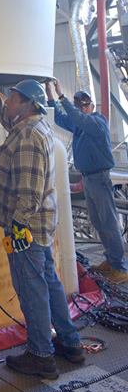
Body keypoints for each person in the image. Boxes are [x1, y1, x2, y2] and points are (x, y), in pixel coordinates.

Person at [0, 64, 84, 379]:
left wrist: (15, 229)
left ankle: (41, 355)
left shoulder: (29, 137)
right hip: (39, 228)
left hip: (26, 230)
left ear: (29, 104)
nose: (9, 101)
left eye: (13, 98)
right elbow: (2, 112)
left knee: (31, 289)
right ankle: (71, 344)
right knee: (50, 283)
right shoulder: (27, 126)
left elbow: (29, 195)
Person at [47, 79, 128, 284]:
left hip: (99, 179)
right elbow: (60, 118)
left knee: (108, 222)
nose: (82, 108)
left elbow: (77, 118)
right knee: (99, 221)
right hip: (90, 179)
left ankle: (120, 267)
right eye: (79, 106)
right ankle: (111, 261)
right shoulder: (80, 126)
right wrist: (50, 95)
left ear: (91, 106)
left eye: (85, 105)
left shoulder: (96, 123)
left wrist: (61, 95)